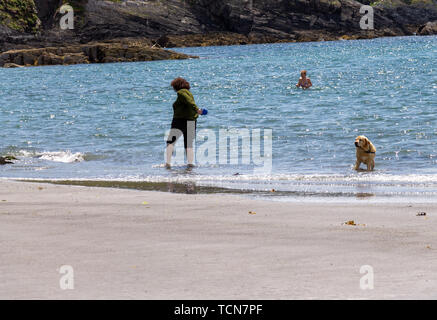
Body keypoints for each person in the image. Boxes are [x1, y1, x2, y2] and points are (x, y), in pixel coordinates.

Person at [165, 77, 203, 168]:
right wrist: (197, 110)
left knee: (170, 142)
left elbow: (189, 102)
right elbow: (190, 102)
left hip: (180, 120)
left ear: (176, 86)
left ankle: (167, 163)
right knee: (188, 143)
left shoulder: (181, 92)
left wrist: (197, 109)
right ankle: (190, 164)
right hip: (192, 120)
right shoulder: (189, 93)